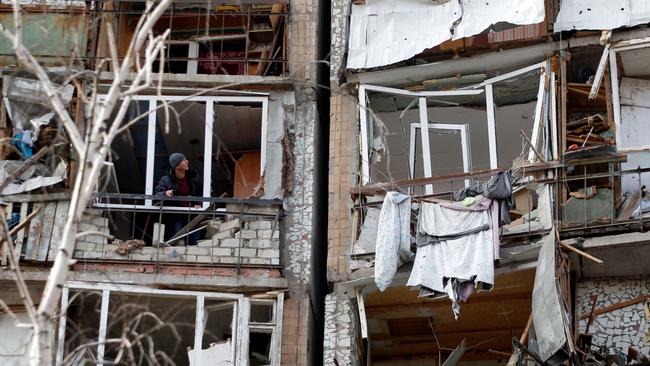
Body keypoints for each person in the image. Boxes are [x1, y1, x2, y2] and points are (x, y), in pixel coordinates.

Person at [154, 153, 203, 245]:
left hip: (192, 215)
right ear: (177, 166)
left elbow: (200, 193)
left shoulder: (193, 177)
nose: (187, 161)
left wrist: (198, 203)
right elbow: (157, 194)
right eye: (184, 160)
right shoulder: (166, 180)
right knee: (179, 242)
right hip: (177, 216)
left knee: (194, 243)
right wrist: (165, 193)